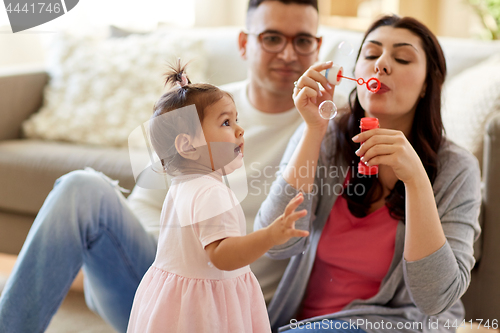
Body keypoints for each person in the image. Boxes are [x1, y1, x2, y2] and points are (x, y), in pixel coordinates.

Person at [0, 0, 337, 332]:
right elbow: (146, 202)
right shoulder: (204, 109)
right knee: (79, 188)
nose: (289, 54)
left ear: (318, 46)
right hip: (169, 295)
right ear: (245, 43)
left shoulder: (323, 127)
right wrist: (182, 264)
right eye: (272, 38)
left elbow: (292, 238)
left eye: (303, 40)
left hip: (238, 311)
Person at [254, 15, 481, 333]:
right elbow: (276, 244)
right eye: (371, 55)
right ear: (357, 72)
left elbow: (436, 299)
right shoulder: (326, 135)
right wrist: (313, 132)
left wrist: (416, 179)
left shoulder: (457, 168)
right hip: (301, 325)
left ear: (427, 83)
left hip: (392, 326)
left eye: (401, 58)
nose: (382, 64)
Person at [126, 63, 308, 333]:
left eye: (236, 120)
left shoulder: (181, 186)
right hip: (203, 310)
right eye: (226, 122)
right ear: (188, 146)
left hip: (174, 299)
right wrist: (271, 235)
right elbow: (223, 256)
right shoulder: (211, 192)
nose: (239, 130)